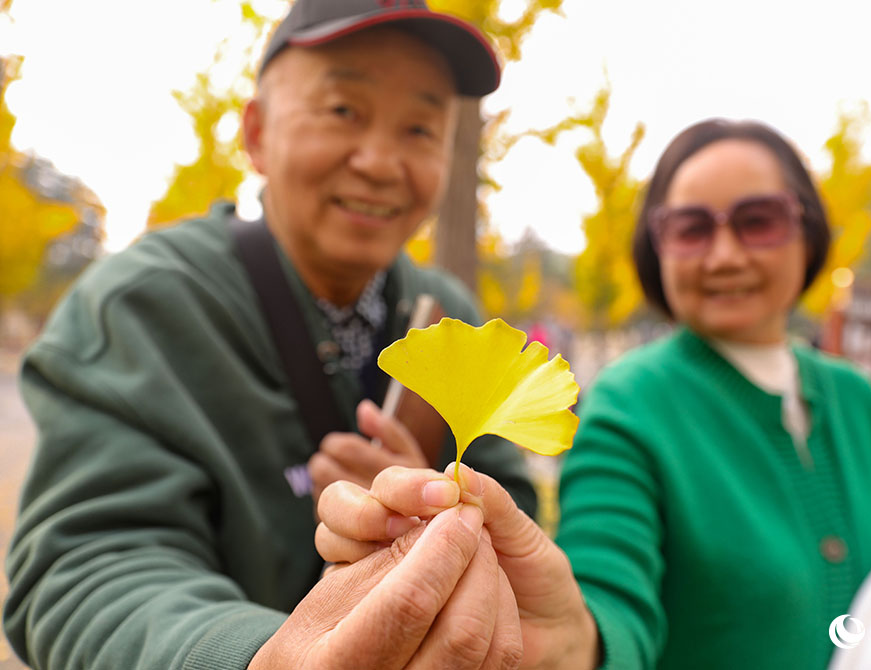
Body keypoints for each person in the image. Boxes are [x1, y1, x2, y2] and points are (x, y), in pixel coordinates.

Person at [320, 119, 871, 669]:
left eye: (758, 221)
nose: (724, 255)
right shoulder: (629, 405)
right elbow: (608, 596)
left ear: (806, 231)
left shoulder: (855, 398)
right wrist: (576, 641)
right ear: (654, 247)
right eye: (692, 228)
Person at [3, 1, 536, 668]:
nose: (379, 161)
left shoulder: (455, 320)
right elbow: (85, 567)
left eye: (421, 128)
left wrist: (439, 509)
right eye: (344, 110)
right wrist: (264, 657)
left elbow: (522, 509)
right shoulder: (143, 305)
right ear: (256, 133)